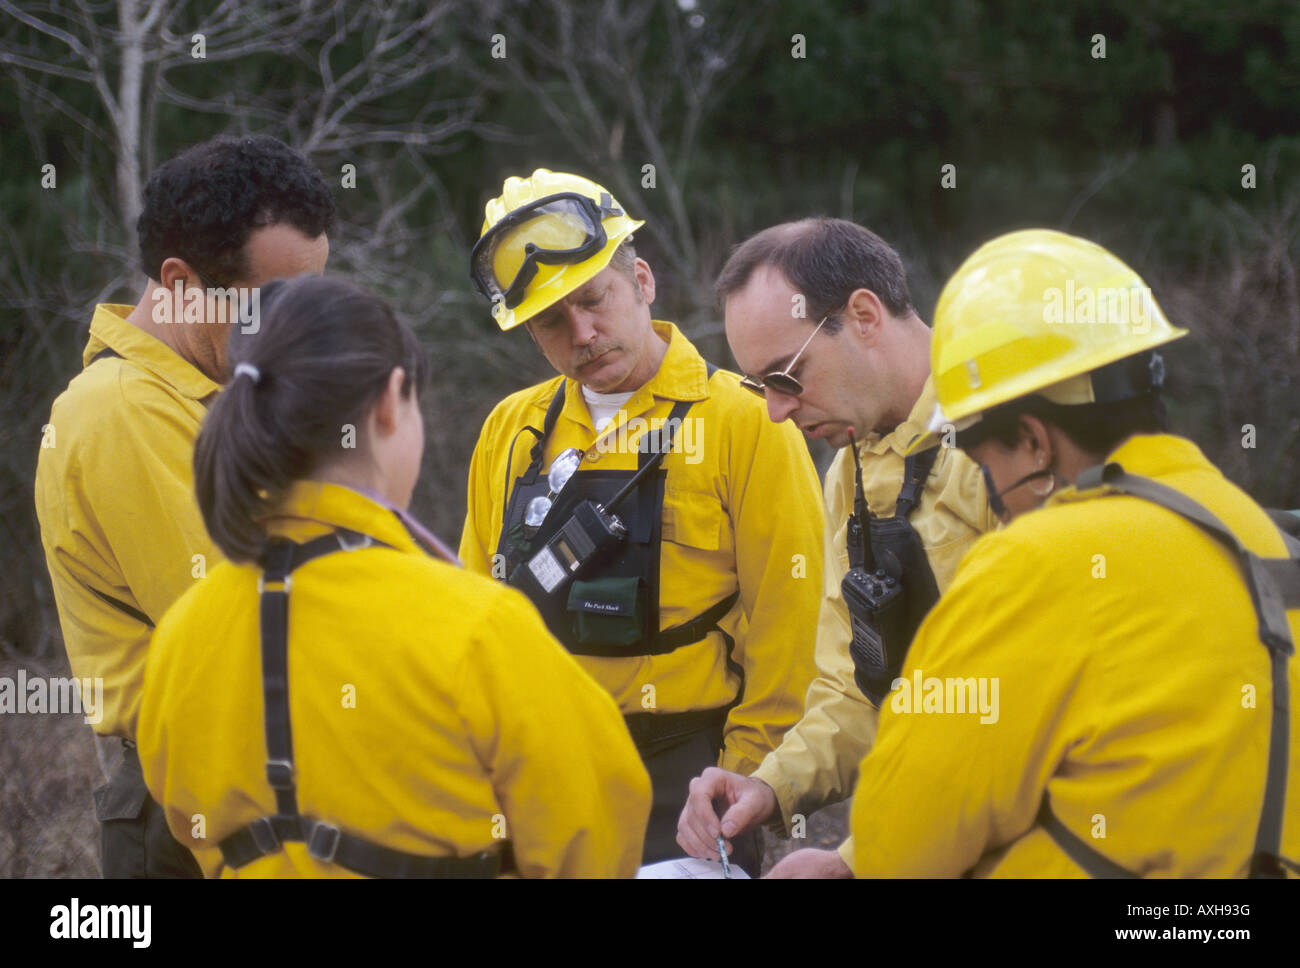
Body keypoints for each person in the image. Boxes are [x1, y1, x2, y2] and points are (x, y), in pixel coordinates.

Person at [136, 275, 651, 878]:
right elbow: (596, 831)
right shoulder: (478, 627)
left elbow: (187, 826)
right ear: (390, 401)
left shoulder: (178, 639)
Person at [849, 228, 1298, 876]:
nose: (997, 502)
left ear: (1033, 441)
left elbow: (897, 846)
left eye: (982, 462)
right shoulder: (1265, 537)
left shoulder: (1033, 561)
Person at [460, 169, 825, 874]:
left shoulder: (743, 420)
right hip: (536, 777)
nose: (583, 334)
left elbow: (792, 625)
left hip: (685, 782)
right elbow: (478, 618)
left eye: (595, 299)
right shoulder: (511, 430)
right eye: (550, 321)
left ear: (643, 281)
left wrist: (741, 780)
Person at [34, 134, 335, 877]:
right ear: (180, 281)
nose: (301, 325)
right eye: (276, 302)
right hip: (187, 815)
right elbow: (255, 629)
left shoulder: (221, 391)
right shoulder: (119, 411)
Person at [676, 217, 995, 877]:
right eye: (758, 387)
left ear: (865, 316)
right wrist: (770, 787)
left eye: (785, 377)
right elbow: (854, 686)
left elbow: (1024, 713)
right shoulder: (850, 472)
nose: (774, 412)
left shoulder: (1007, 439)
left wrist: (858, 862)